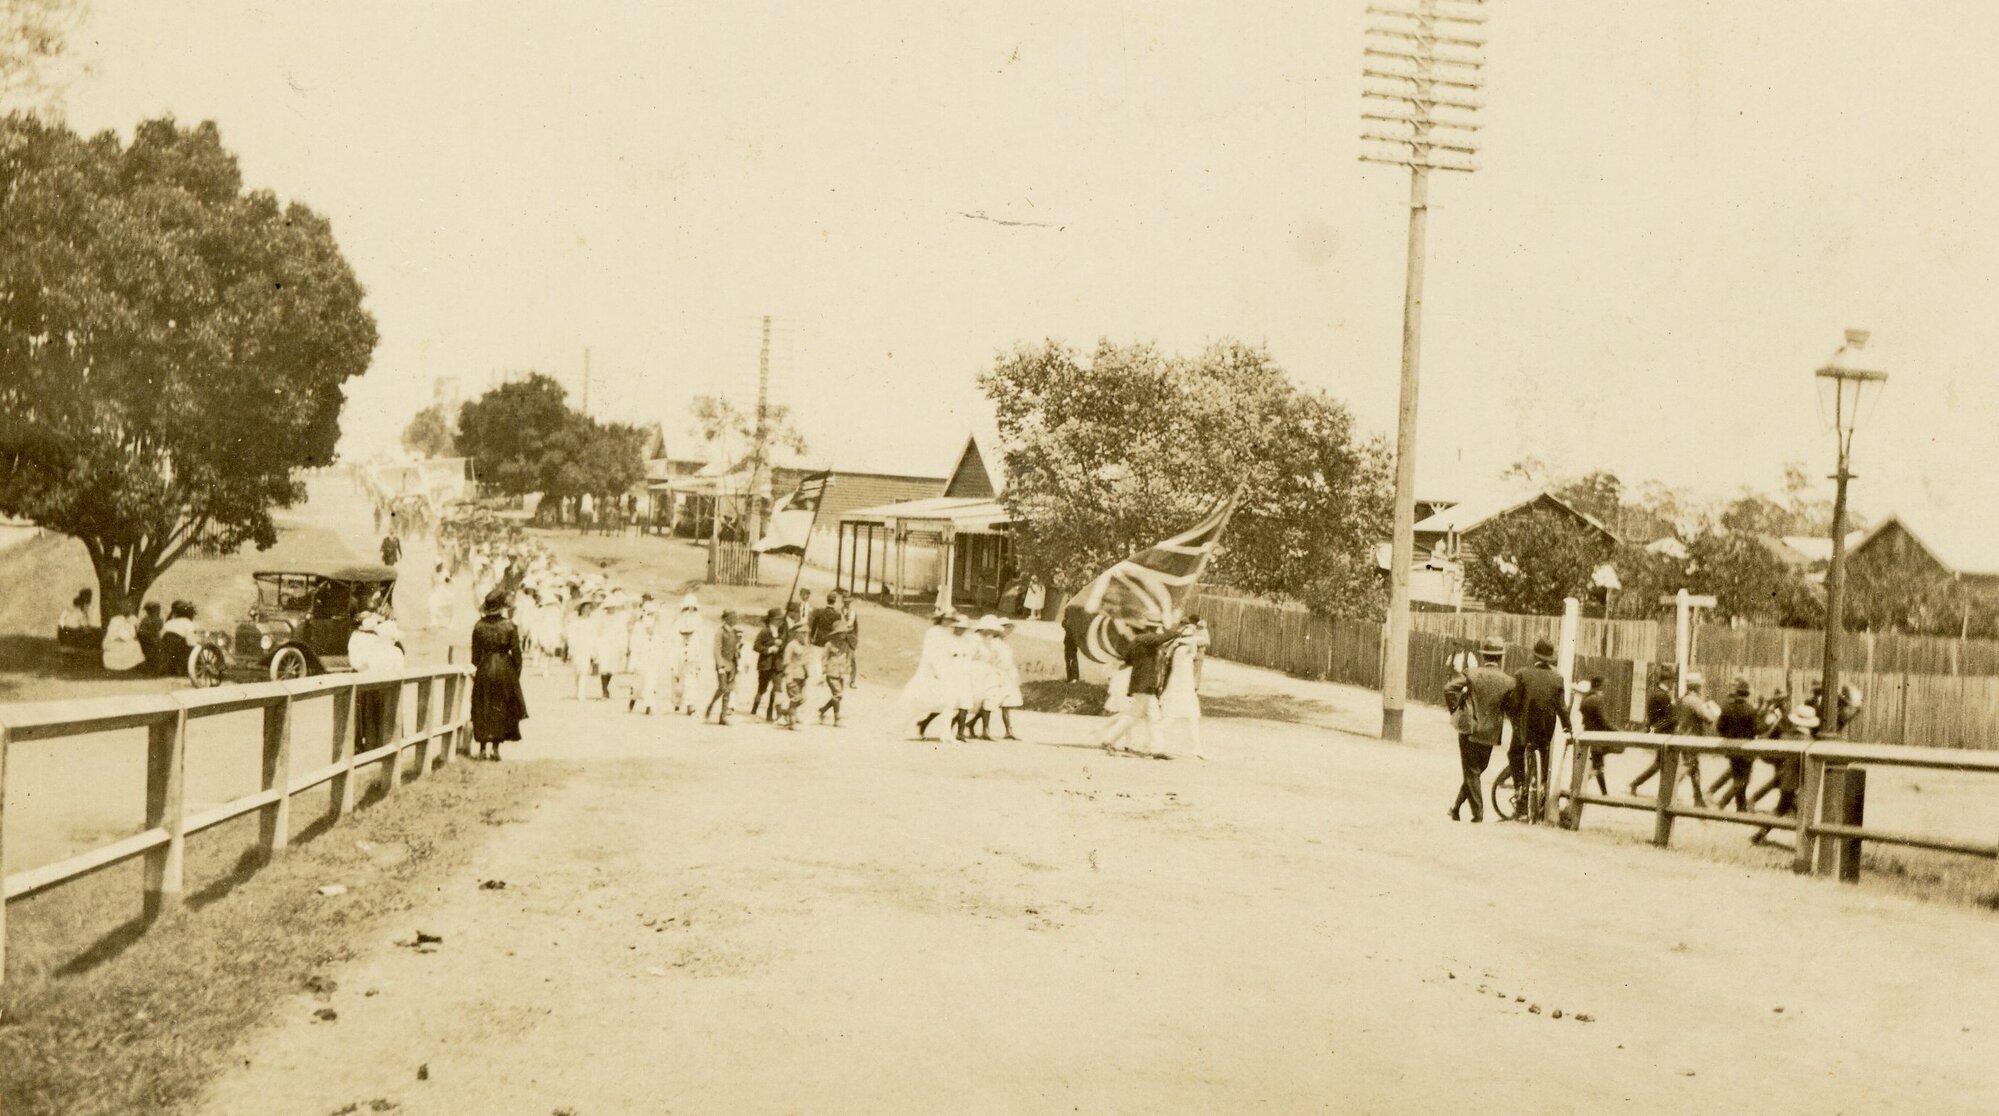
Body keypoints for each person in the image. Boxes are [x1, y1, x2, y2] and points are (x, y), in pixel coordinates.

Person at [1444, 637, 1514, 822]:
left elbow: (1449, 689)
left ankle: (1478, 813)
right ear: (1500, 658)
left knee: (1471, 771)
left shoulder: (1472, 674)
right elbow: (1510, 707)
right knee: (1476, 770)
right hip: (1490, 732)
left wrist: (1456, 709)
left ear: (1484, 656)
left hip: (1469, 729)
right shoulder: (1508, 681)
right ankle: (1456, 808)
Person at [1504, 639, 1573, 820]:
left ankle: (1519, 788)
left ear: (1534, 655)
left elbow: (1514, 704)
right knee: (1546, 758)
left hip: (1524, 730)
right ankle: (1543, 789)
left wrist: (1514, 720)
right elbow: (1561, 708)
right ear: (1550, 659)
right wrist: (1568, 728)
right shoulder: (1557, 678)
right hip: (1545, 731)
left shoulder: (1522, 674)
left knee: (1514, 753)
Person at [1096, 619, 1175, 756]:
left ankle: (1157, 749)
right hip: (1144, 684)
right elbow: (1162, 638)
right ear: (1154, 627)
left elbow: (1128, 659)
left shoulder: (1138, 641)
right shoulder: (1146, 639)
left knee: (1152, 717)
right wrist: (1180, 631)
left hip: (1143, 684)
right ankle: (1108, 740)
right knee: (1134, 716)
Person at [470, 589, 528, 760]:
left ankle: (481, 749)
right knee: (500, 707)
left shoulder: (479, 626)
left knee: (483, 706)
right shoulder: (509, 626)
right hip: (504, 668)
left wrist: (480, 666)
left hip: (485, 668)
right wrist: (516, 672)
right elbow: (517, 653)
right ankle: (495, 748)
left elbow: (475, 656)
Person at [1752, 704, 1817, 844]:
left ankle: (1759, 835)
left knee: (1783, 809)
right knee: (1799, 813)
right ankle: (1809, 844)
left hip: (1784, 778)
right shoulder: (1808, 741)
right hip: (1796, 782)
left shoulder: (1785, 736)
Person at [1154, 617, 1207, 759]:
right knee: (1178, 718)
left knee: (1191, 718)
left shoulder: (1175, 649)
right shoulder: (1186, 649)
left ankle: (1197, 748)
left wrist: (1179, 640)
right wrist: (1190, 639)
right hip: (1182, 688)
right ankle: (1154, 740)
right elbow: (1196, 647)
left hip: (1181, 687)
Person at [906, 611, 962, 740]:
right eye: (946, 619)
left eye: (951, 619)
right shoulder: (933, 632)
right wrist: (935, 669)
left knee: (948, 701)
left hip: (946, 668)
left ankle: (945, 733)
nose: (949, 622)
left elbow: (953, 650)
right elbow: (929, 652)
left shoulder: (948, 633)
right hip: (932, 669)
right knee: (921, 700)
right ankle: (906, 727)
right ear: (940, 619)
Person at [1712, 678, 1762, 811]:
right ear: (1747, 694)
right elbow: (1756, 730)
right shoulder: (1750, 710)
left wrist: (1728, 737)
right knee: (1743, 779)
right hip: (1746, 749)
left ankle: (1741, 806)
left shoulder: (1727, 708)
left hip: (1731, 748)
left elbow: (1719, 727)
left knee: (1737, 776)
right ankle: (1724, 801)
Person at [1575, 675, 1620, 795]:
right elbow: (1603, 721)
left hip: (1588, 735)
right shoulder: (1596, 699)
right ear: (1599, 686)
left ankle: (1604, 793)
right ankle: (1602, 793)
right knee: (1597, 767)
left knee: (1596, 766)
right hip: (1597, 738)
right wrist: (1616, 731)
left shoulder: (1586, 698)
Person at [989, 618, 1025, 741]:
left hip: (1007, 675)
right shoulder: (993, 643)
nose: (1007, 630)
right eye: (1005, 627)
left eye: (1009, 628)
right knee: (990, 703)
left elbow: (1008, 661)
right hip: (997, 675)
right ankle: (970, 724)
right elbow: (992, 660)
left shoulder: (1004, 643)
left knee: (1006, 703)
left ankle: (1008, 730)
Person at [706, 610, 742, 724]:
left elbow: (737, 649)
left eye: (736, 617)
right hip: (722, 664)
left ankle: (723, 717)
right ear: (727, 619)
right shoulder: (720, 632)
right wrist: (720, 665)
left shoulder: (735, 632)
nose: (735, 620)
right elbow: (717, 649)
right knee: (722, 688)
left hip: (732, 664)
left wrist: (740, 644)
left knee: (728, 691)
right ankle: (711, 705)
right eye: (733, 618)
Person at [817, 618, 854, 726]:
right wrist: (823, 671)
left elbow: (848, 658)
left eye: (845, 633)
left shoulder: (847, 645)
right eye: (842, 633)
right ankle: (837, 719)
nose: (844, 635)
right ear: (837, 633)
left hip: (841, 673)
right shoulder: (829, 644)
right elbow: (823, 657)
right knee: (838, 694)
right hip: (831, 672)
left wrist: (847, 671)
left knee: (837, 696)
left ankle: (822, 710)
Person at [753, 608, 786, 721]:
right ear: (771, 620)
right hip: (765, 665)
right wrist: (770, 649)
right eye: (777, 619)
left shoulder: (782, 632)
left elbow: (785, 647)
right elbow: (756, 646)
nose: (780, 621)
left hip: (777, 665)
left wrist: (781, 645)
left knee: (777, 689)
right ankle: (754, 709)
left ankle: (772, 712)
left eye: (781, 619)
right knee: (762, 690)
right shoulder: (765, 631)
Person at [778, 624, 811, 730]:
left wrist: (807, 674)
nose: (805, 635)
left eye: (806, 633)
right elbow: (786, 662)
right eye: (802, 633)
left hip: (802, 675)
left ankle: (785, 712)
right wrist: (788, 677)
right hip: (793, 675)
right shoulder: (791, 645)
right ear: (796, 633)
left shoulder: (805, 645)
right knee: (795, 698)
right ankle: (792, 723)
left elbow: (806, 661)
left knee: (801, 699)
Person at [100, 597, 145, 672]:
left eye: (129, 607)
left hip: (128, 640)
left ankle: (133, 666)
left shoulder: (132, 618)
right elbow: (111, 633)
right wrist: (120, 637)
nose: (127, 610)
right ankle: (121, 666)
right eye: (125, 608)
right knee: (122, 647)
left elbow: (135, 631)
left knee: (135, 645)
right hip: (116, 640)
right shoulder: (115, 619)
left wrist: (133, 636)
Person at [159, 600, 199, 678]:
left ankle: (172, 670)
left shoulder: (169, 622)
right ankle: (187, 670)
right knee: (192, 648)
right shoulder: (188, 623)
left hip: (166, 647)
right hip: (179, 649)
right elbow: (190, 641)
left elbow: (161, 635)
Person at [137, 601, 165, 673]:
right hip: (152, 640)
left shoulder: (145, 619)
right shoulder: (157, 619)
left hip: (143, 640)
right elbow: (160, 630)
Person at [427, 563, 454, 630]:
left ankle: (451, 622)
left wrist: (449, 579)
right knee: (431, 602)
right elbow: (432, 584)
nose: (439, 567)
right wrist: (431, 592)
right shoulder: (433, 573)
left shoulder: (445, 572)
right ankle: (433, 621)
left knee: (451, 602)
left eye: (440, 565)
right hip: (436, 591)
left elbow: (448, 581)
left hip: (444, 590)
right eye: (437, 566)